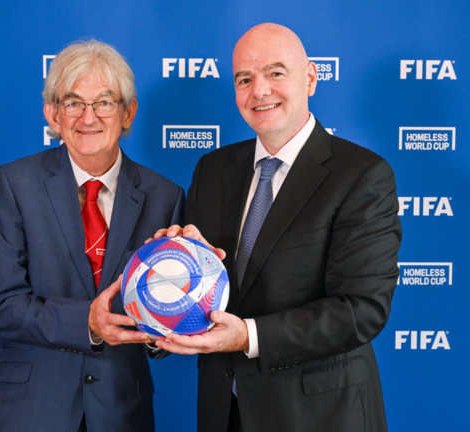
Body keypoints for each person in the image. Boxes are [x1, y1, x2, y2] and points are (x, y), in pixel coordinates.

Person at [154, 23, 402, 432]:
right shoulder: (213, 170)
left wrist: (247, 336)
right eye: (244, 79)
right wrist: (175, 268)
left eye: (276, 73)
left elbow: (361, 310)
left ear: (310, 78)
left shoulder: (361, 175)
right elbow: (203, 290)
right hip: (225, 413)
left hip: (320, 416)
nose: (260, 90)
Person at [0, 40, 184, 432]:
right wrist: (87, 320)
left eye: (104, 101)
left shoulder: (165, 197)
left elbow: (165, 310)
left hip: (122, 411)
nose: (89, 117)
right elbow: (1, 302)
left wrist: (163, 328)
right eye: (72, 102)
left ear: (127, 112)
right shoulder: (15, 183)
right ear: (52, 113)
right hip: (27, 409)